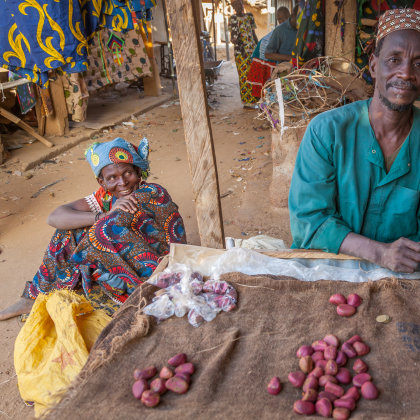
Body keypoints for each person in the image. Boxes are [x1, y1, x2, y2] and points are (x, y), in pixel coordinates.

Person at [288, 9, 420, 299]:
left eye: (418, 64)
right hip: (330, 273)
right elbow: (310, 219)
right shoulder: (327, 131)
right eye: (394, 60)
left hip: (404, 281)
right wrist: (379, 252)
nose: (406, 73)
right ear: (373, 65)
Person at [0, 137, 187, 320]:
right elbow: (55, 217)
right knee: (68, 231)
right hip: (123, 270)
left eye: (127, 173)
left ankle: (147, 295)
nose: (122, 183)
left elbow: (107, 230)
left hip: (160, 270)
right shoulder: (105, 198)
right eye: (112, 178)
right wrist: (101, 215)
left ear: (138, 172)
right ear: (102, 183)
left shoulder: (151, 193)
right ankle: (31, 297)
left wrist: (104, 221)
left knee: (101, 230)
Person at [246, 6, 290, 99]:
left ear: (289, 17)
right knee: (269, 87)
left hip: (267, 59)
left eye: (283, 18)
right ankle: (267, 106)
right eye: (279, 19)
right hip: (264, 59)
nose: (281, 21)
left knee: (271, 87)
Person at [229, 0, 258, 108]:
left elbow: (253, 34)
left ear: (243, 4)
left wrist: (258, 47)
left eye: (240, 4)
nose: (239, 6)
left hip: (252, 51)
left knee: (253, 75)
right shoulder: (233, 19)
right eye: (236, 5)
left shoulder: (250, 17)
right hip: (241, 53)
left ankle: (254, 100)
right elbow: (232, 36)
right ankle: (246, 103)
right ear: (233, 7)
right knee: (244, 77)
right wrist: (234, 40)